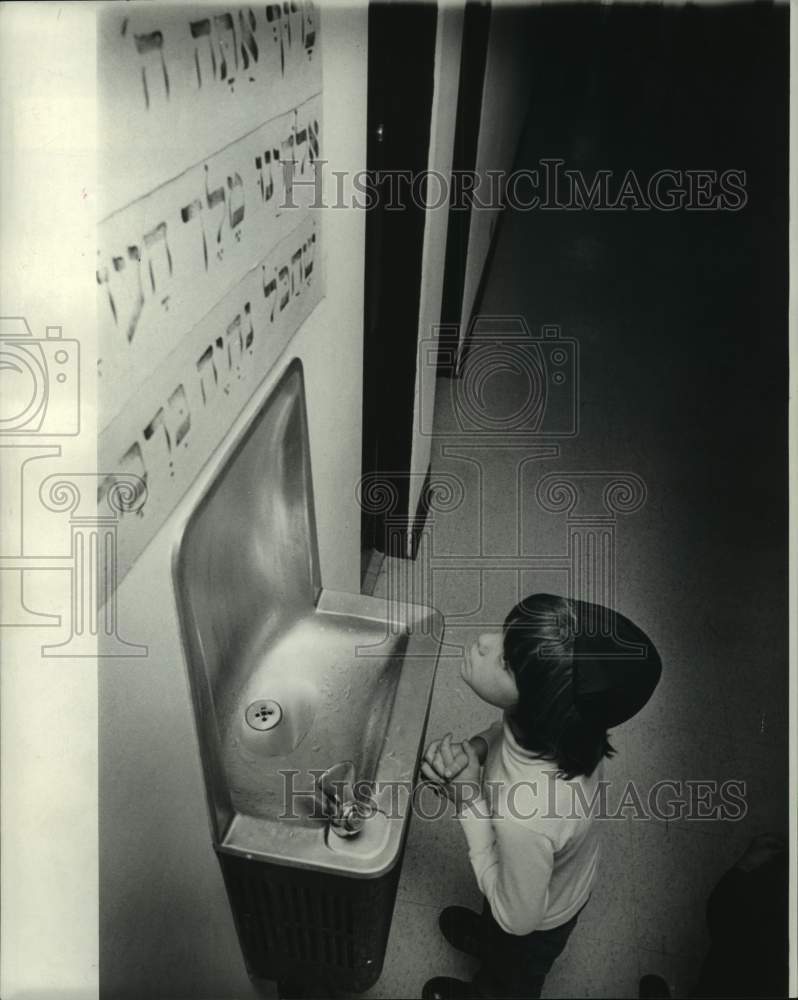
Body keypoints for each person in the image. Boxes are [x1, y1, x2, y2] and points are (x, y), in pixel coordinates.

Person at [420, 593, 662, 1000]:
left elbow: (519, 919)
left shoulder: (527, 816)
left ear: (540, 705)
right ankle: (487, 937)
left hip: (535, 920)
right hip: (546, 875)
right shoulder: (563, 729)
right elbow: (509, 733)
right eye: (503, 634)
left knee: (509, 975)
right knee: (498, 923)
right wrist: (479, 748)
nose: (482, 640)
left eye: (505, 662)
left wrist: (467, 801)